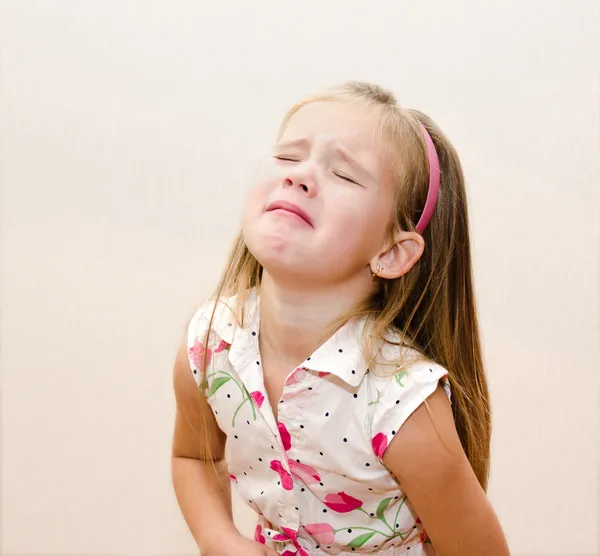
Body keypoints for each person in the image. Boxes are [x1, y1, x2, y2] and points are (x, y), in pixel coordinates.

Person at [171, 81, 510, 555]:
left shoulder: (401, 404)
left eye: (345, 175)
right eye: (289, 157)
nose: (300, 176)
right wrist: (220, 539)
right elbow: (194, 456)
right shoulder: (211, 344)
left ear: (392, 253)